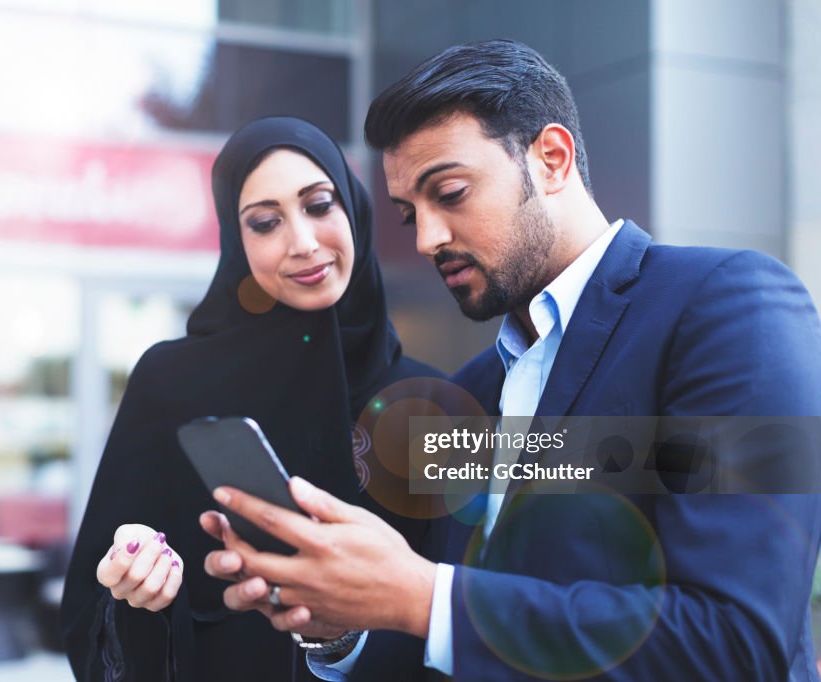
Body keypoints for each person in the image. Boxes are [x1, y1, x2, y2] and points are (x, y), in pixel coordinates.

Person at [202, 39, 821, 680]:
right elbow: (471, 645)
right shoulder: (466, 392)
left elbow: (736, 642)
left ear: (551, 159)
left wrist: (423, 594)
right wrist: (345, 629)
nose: (426, 239)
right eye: (409, 212)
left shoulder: (729, 306)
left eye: (450, 192)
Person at [60, 115, 444, 682]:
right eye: (265, 222)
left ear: (354, 211)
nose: (304, 242)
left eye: (319, 205)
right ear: (235, 243)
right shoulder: (171, 381)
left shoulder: (428, 402)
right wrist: (138, 588)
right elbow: (92, 619)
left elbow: (456, 624)